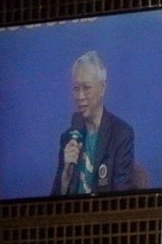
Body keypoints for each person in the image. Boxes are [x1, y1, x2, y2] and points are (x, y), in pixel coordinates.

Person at [53, 51, 141, 195]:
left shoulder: (121, 134)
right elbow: (52, 202)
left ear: (102, 88)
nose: (80, 96)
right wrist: (65, 182)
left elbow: (121, 195)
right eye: (76, 88)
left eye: (86, 88)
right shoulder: (68, 138)